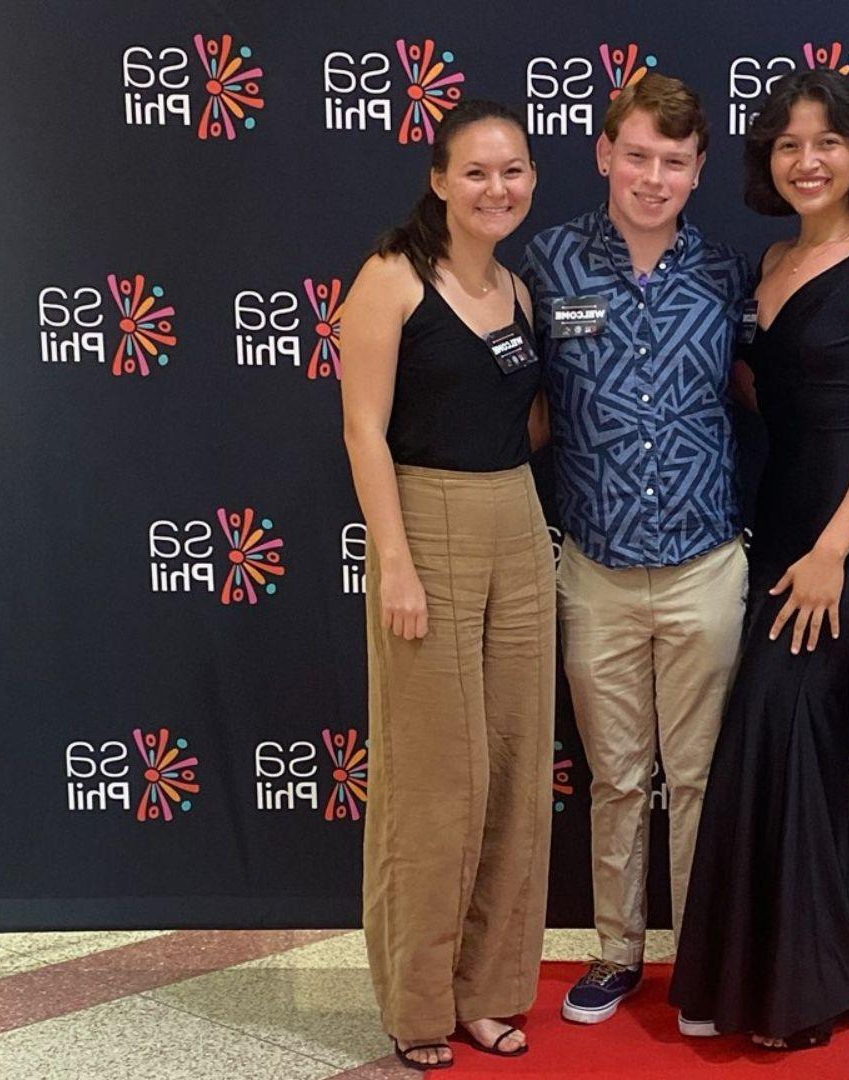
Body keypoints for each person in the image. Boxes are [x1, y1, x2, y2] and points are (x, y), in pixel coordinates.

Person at [668, 69, 849, 1050]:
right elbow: (742, 392)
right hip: (776, 526)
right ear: (767, 161)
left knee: (786, 714)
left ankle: (800, 995)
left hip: (847, 536)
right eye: (787, 143)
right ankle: (762, 981)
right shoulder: (771, 261)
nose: (807, 159)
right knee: (790, 737)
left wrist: (831, 551)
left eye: (826, 141)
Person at [518, 74, 754, 1034]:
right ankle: (617, 955)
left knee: (698, 774)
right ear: (605, 154)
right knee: (615, 774)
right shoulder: (546, 263)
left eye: (675, 162)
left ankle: (699, 963)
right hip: (597, 565)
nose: (653, 178)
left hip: (706, 561)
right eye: (638, 156)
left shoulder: (728, 273)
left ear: (698, 171)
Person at [339, 99, 553, 1072]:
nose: (495, 187)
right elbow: (362, 430)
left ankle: (490, 990)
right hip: (424, 518)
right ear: (438, 178)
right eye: (475, 171)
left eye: (512, 171)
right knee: (435, 783)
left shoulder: (520, 289)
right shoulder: (390, 278)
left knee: (514, 772)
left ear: (531, 181)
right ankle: (418, 1004)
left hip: (517, 518)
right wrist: (395, 559)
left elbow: (527, 422)